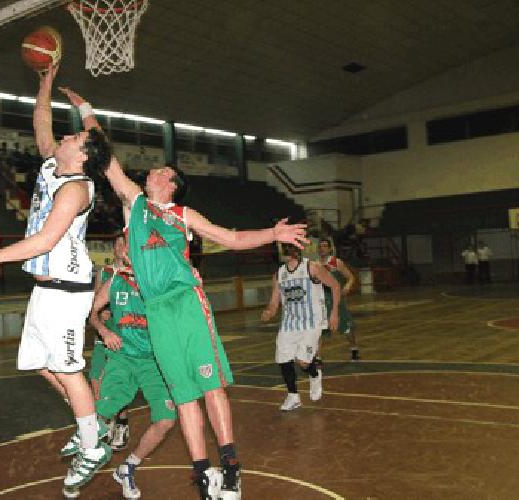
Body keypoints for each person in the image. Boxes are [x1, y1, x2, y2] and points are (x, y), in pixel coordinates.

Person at [59, 86, 308, 500]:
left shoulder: (182, 215)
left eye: (159, 171)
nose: (150, 173)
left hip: (186, 303)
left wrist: (274, 233)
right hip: (157, 312)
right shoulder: (133, 204)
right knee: (185, 396)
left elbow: (231, 238)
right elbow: (105, 154)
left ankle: (230, 467)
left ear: (171, 183)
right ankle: (201, 472)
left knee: (210, 388)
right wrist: (85, 110)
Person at [0, 64, 112, 498]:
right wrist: (44, 85)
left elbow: (45, 239)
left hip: (68, 291)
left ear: (82, 154)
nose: (64, 138)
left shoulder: (77, 189)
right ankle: (91, 425)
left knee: (69, 370)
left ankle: (92, 446)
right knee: (39, 364)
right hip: (45, 288)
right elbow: (42, 125)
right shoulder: (52, 168)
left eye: (74, 138)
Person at [86, 242, 177, 499]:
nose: (126, 250)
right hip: (120, 351)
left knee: (166, 420)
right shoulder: (111, 277)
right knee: (101, 401)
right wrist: (103, 329)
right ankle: (86, 453)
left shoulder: (156, 282)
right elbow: (92, 310)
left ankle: (128, 466)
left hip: (153, 359)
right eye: (122, 246)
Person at [260, 244, 342, 411]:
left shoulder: (312, 267)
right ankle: (293, 396)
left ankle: (314, 373)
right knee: (283, 359)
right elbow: (274, 302)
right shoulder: (278, 274)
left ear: (291, 251)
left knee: (303, 362)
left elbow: (335, 286)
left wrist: (334, 313)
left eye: (282, 248)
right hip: (290, 323)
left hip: (312, 322)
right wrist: (269, 311)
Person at [85, 233, 132, 452]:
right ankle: (105, 422)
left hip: (124, 335)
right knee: (96, 380)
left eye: (126, 243)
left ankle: (121, 422)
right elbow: (94, 303)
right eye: (118, 244)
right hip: (103, 334)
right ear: (113, 249)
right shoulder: (104, 273)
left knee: (117, 380)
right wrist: (101, 311)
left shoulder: (134, 274)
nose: (122, 247)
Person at [318, 239, 361, 361]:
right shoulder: (315, 265)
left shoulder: (336, 262)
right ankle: (318, 358)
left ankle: (354, 348)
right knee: (320, 329)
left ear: (330, 249)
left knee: (346, 326)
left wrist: (347, 286)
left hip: (337, 299)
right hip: (322, 300)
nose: (322, 248)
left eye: (325, 246)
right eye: (320, 246)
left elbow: (351, 277)